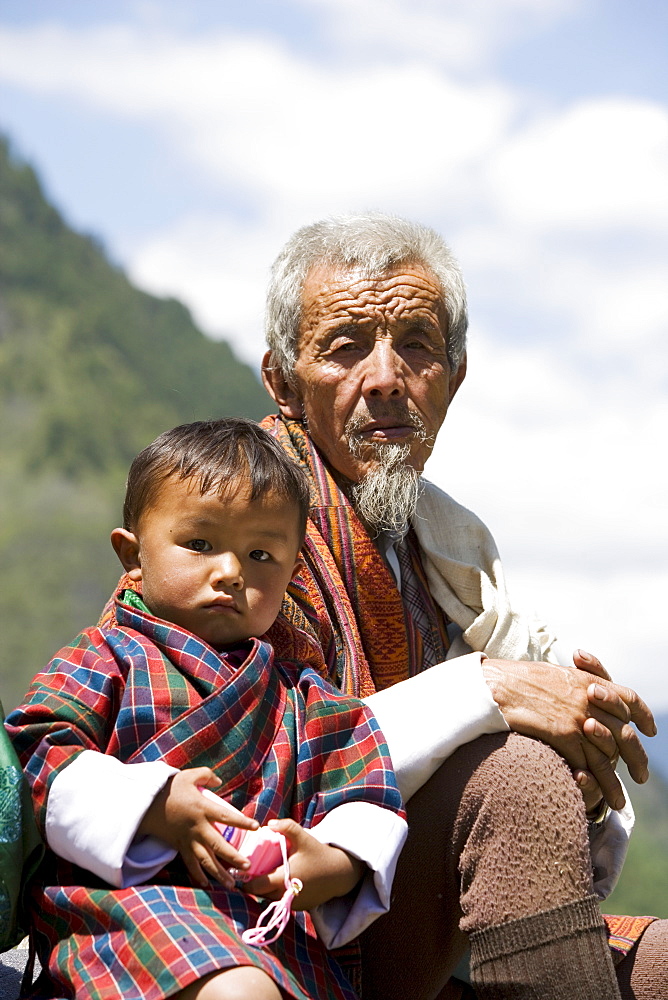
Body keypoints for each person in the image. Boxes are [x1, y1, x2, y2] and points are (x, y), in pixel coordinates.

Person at [257, 213, 667, 999]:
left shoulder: (445, 544)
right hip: (274, 922)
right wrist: (491, 692)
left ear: (455, 373)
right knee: (512, 775)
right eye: (345, 347)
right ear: (281, 381)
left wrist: (575, 753)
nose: (385, 378)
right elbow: (257, 759)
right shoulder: (230, 523)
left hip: (406, 922)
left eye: (415, 344)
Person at [6, 418, 407, 1000]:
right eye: (198, 544)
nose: (230, 572)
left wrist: (326, 862)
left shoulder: (313, 700)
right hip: (127, 915)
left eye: (261, 553)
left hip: (270, 931)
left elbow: (369, 802)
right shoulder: (107, 657)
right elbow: (36, 753)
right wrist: (153, 805)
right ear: (132, 555)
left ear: (294, 575)